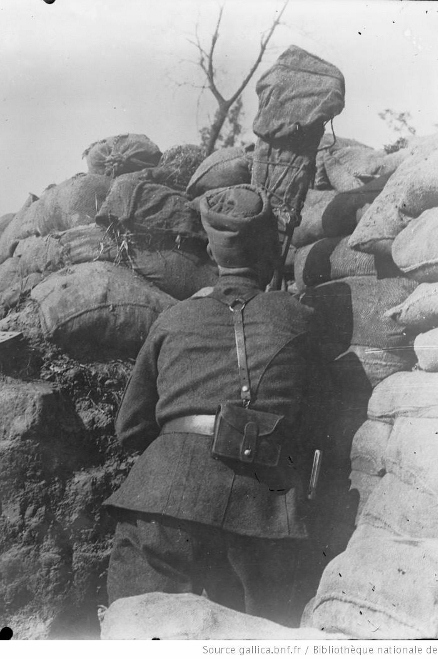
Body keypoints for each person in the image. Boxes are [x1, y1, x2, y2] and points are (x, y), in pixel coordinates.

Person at [103, 184, 328, 627]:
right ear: (271, 249)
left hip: (165, 497)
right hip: (264, 507)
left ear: (209, 248)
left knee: (141, 628)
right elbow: (316, 421)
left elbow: (129, 428)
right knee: (258, 633)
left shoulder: (172, 319)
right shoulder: (302, 320)